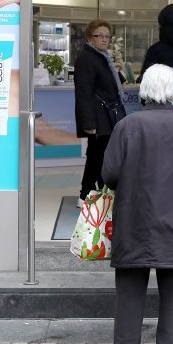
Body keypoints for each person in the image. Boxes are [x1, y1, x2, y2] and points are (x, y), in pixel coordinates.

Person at [101, 64, 173, 344]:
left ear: (144, 91)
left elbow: (108, 174)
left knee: (130, 291)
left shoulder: (127, 126)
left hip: (135, 220)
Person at [73, 20, 125, 207]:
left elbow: (107, 84)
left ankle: (99, 190)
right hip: (97, 117)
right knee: (97, 156)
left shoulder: (102, 57)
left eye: (106, 36)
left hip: (104, 116)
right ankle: (85, 192)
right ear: (90, 37)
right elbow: (84, 92)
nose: (104, 39)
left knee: (100, 155)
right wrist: (89, 122)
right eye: (99, 35)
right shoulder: (87, 58)